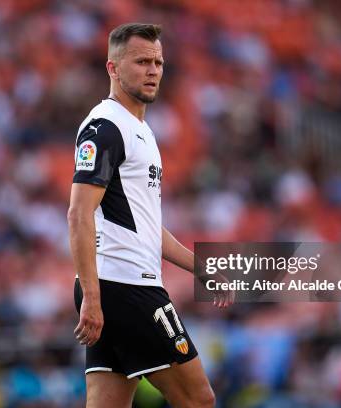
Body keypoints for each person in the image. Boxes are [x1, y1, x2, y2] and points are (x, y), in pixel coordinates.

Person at [67, 22, 233, 408]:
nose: (153, 70)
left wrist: (199, 267)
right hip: (126, 286)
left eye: (158, 62)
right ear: (113, 68)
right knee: (198, 399)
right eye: (142, 61)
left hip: (117, 286)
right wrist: (92, 296)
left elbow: (145, 226)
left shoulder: (139, 129)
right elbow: (78, 213)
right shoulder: (105, 127)